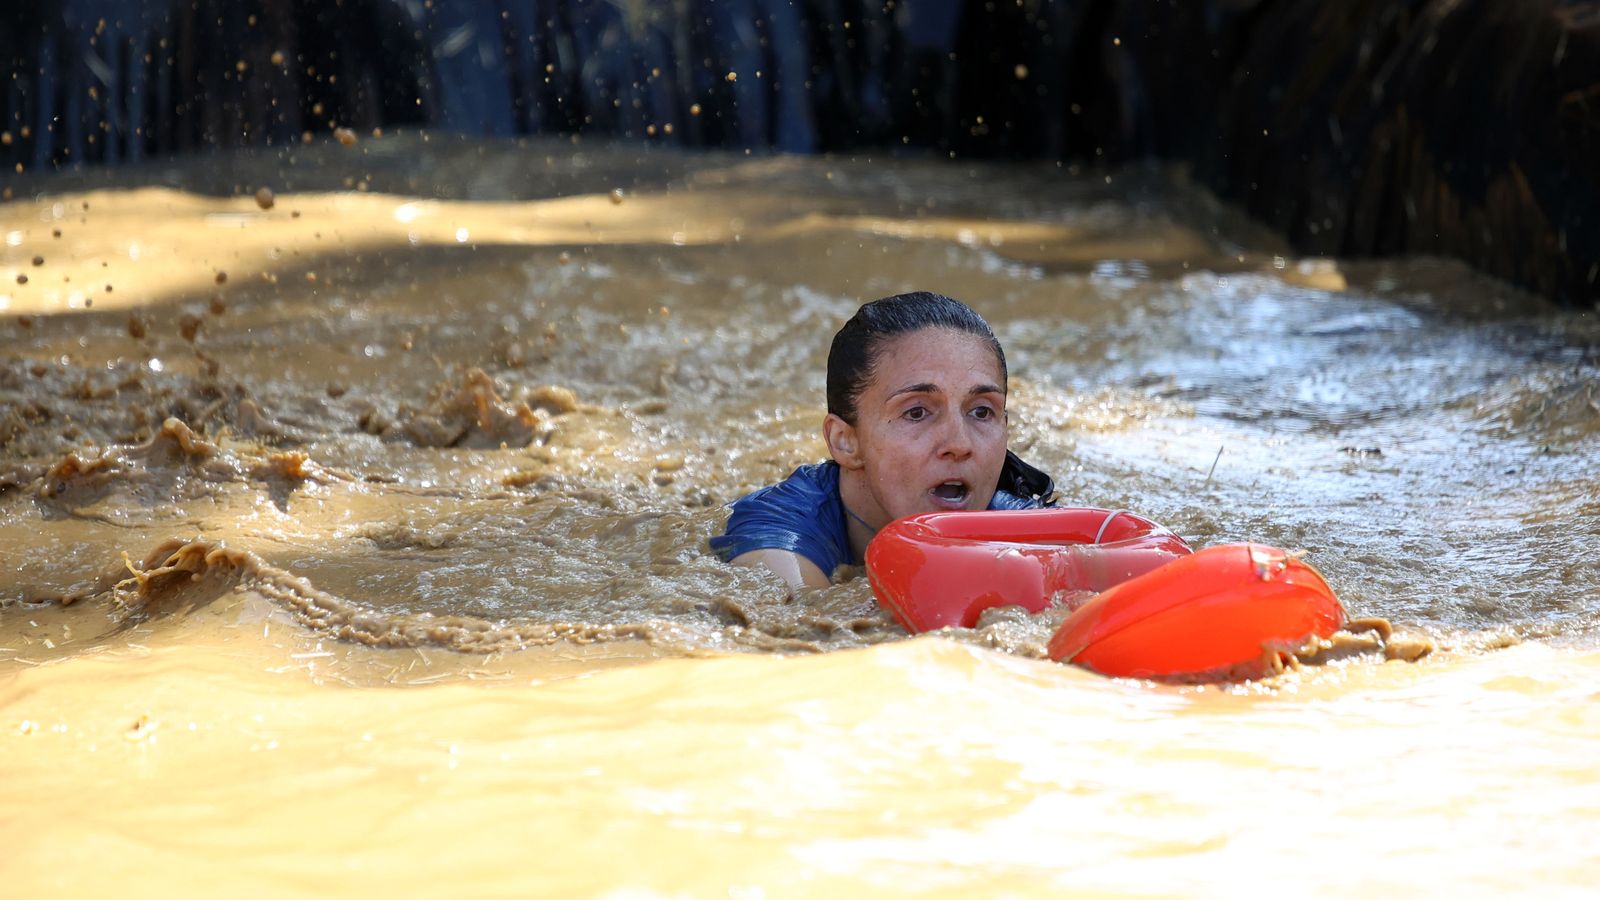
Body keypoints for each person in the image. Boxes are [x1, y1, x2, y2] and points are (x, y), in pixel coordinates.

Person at [710, 291, 1057, 589]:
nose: (959, 443)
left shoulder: (1022, 523)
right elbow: (801, 637)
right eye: (917, 412)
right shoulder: (777, 537)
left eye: (981, 412)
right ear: (846, 441)